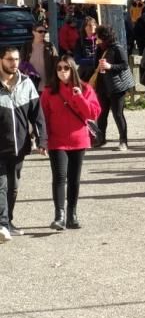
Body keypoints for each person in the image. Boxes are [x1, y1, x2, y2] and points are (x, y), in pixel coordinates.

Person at [40, 55, 101, 231]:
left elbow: (92, 114)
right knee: (59, 178)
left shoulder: (86, 88)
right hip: (56, 141)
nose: (62, 71)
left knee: (74, 179)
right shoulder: (49, 91)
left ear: (73, 69)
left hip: (78, 139)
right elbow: (43, 118)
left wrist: (80, 97)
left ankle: (72, 215)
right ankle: (59, 216)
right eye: (59, 68)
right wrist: (42, 141)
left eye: (66, 68)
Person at [0, 46, 47, 241]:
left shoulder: (27, 83)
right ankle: (2, 225)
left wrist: (42, 139)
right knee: (1, 185)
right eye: (10, 59)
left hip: (19, 145)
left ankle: (8, 222)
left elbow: (37, 114)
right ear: (1, 60)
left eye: (17, 59)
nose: (14, 63)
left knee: (13, 186)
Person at [92, 26, 134, 152]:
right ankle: (101, 138)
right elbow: (95, 65)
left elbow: (124, 65)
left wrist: (110, 66)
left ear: (104, 37)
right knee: (102, 114)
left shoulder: (117, 48)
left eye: (98, 36)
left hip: (117, 87)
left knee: (118, 114)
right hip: (102, 86)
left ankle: (123, 141)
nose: (96, 38)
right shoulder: (99, 49)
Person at [19, 22, 58, 92]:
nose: (43, 33)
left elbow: (56, 62)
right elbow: (20, 62)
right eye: (40, 31)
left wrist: (54, 78)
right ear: (33, 32)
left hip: (47, 82)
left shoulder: (50, 46)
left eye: (45, 32)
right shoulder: (26, 46)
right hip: (30, 81)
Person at [75, 17, 99, 82]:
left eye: (94, 25)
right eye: (89, 25)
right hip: (86, 73)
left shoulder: (99, 39)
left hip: (99, 71)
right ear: (85, 27)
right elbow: (77, 60)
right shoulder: (80, 41)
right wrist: (92, 61)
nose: (92, 27)